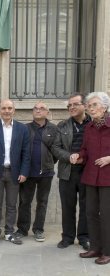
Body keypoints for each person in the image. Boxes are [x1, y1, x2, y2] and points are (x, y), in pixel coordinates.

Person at [71, 92, 110, 265]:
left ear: (105, 107)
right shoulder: (89, 127)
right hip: (91, 176)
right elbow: (85, 150)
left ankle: (107, 252)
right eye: (89, 105)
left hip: (108, 177)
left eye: (94, 105)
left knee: (107, 215)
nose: (91, 108)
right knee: (91, 213)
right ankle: (95, 248)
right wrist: (78, 156)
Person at [0, 99, 30, 246]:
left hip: (14, 173)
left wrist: (24, 172)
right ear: (0, 110)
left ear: (14, 110)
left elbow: (26, 153)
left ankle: (10, 233)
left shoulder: (22, 129)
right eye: (4, 108)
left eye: (9, 108)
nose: (6, 111)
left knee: (12, 205)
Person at [51, 93, 90, 250]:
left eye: (75, 104)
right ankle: (67, 237)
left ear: (85, 105)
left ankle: (84, 237)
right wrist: (69, 157)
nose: (71, 108)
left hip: (88, 171)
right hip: (68, 171)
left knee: (87, 206)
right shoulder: (63, 126)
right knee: (67, 206)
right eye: (69, 106)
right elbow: (55, 147)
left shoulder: (93, 124)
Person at [16, 102, 58, 242]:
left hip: (46, 173)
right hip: (27, 173)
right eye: (36, 108)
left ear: (47, 112)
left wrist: (48, 162)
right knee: (24, 201)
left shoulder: (54, 129)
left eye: (42, 109)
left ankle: (39, 230)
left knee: (42, 202)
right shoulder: (24, 128)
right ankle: (22, 229)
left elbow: (56, 150)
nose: (38, 111)